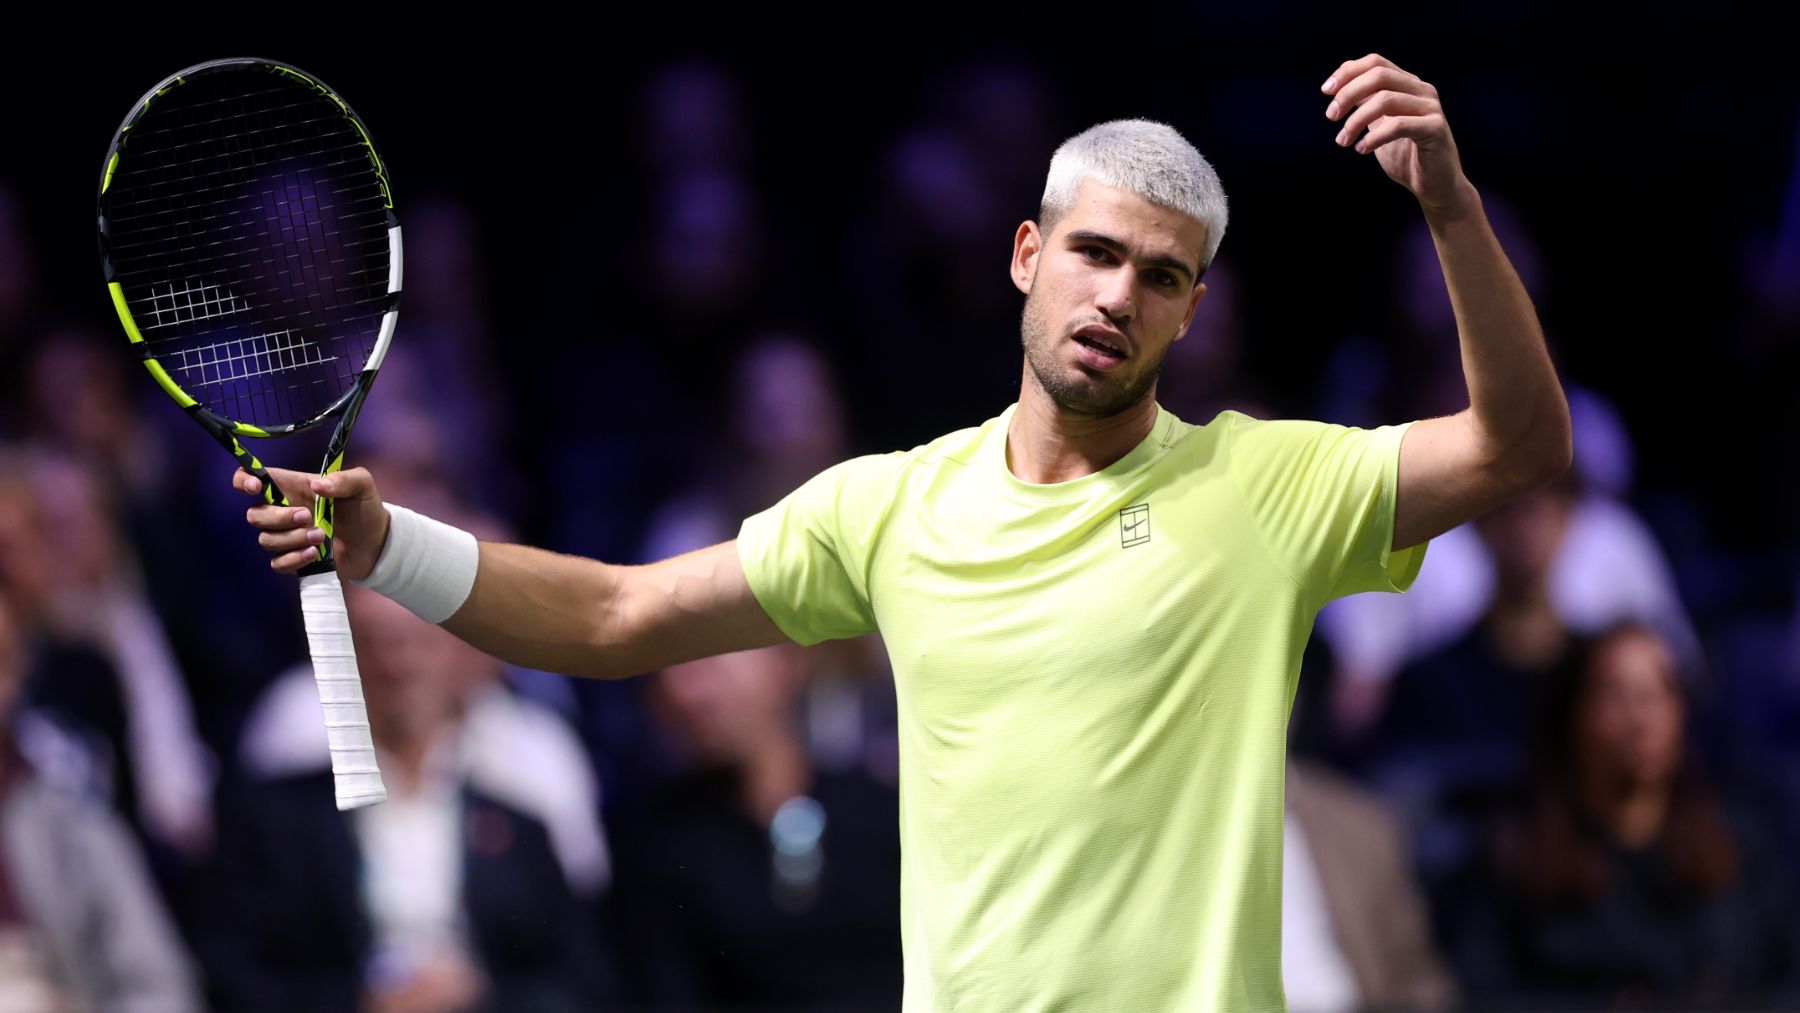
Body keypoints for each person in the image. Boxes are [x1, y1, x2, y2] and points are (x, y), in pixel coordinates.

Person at [237, 54, 1571, 1011]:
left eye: (1160, 277)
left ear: (1191, 313)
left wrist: (1449, 204)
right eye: (1095, 253)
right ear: (1024, 256)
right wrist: (385, 545)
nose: (1119, 295)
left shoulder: (1265, 487)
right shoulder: (889, 507)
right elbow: (613, 616)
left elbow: (1519, 446)